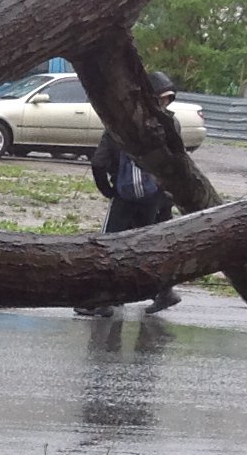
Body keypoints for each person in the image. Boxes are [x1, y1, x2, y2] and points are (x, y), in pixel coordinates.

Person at [76, 119, 181, 317]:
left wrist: (108, 190)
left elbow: (98, 162)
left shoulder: (116, 127)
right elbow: (177, 159)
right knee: (149, 247)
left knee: (109, 245)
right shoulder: (167, 123)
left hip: (124, 196)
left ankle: (106, 300)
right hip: (156, 197)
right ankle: (164, 292)